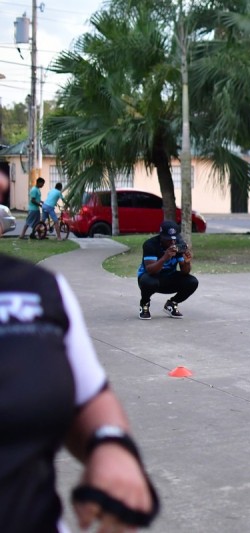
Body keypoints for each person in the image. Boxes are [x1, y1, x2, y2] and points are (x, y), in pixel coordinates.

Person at [0, 171, 159, 531]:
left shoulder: (39, 290)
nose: (3, 183)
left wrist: (111, 447)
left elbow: (88, 397)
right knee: (38, 220)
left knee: (39, 221)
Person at [137, 220, 199, 320]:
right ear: (161, 237)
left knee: (192, 282)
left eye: (174, 239)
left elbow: (185, 272)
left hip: (169, 277)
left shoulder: (179, 244)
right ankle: (144, 303)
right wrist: (164, 258)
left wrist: (187, 262)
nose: (172, 242)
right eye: (168, 240)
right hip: (151, 278)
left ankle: (172, 304)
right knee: (149, 282)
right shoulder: (150, 245)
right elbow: (150, 270)